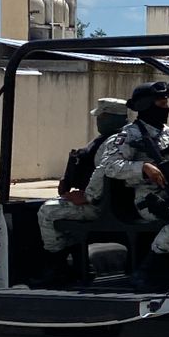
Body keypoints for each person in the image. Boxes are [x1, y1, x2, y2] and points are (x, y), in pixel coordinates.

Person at [97, 81, 169, 288]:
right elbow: (110, 166)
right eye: (161, 102)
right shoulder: (130, 134)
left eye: (166, 102)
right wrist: (143, 167)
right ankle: (149, 268)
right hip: (149, 199)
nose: (166, 107)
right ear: (146, 105)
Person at [32, 98, 128, 284]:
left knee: (47, 211)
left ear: (107, 117)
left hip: (104, 206)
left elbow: (103, 174)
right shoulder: (128, 137)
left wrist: (86, 197)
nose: (98, 121)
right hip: (118, 203)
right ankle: (79, 263)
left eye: (100, 116)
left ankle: (57, 267)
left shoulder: (112, 142)